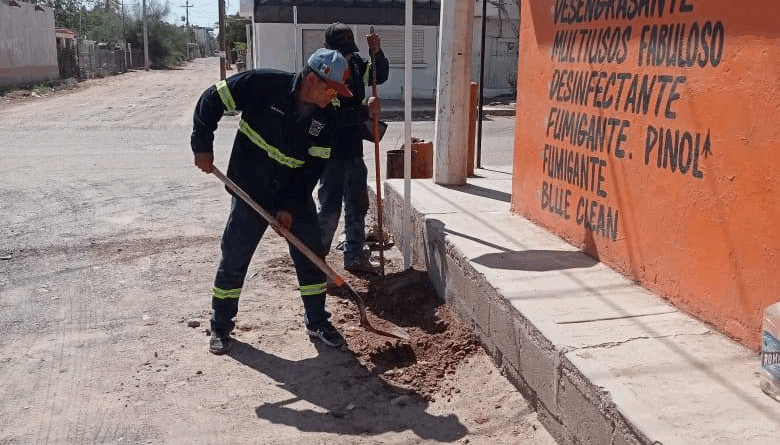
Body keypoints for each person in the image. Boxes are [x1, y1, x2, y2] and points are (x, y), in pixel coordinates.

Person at [190, 48, 373, 354]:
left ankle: (316, 320)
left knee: (311, 255)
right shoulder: (263, 85)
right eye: (331, 89)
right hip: (251, 189)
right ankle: (221, 325)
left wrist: (289, 207)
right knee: (235, 257)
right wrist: (202, 146)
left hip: (293, 192)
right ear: (312, 80)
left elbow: (313, 168)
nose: (334, 96)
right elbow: (212, 98)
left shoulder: (327, 116)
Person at [317, 23, 390, 273]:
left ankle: (355, 255)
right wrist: (364, 110)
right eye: (343, 51)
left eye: (349, 50)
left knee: (357, 204)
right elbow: (330, 115)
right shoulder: (323, 70)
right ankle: (316, 261)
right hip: (330, 150)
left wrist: (377, 52)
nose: (347, 56)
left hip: (353, 148)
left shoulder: (356, 62)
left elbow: (378, 76)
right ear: (328, 48)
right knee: (330, 208)